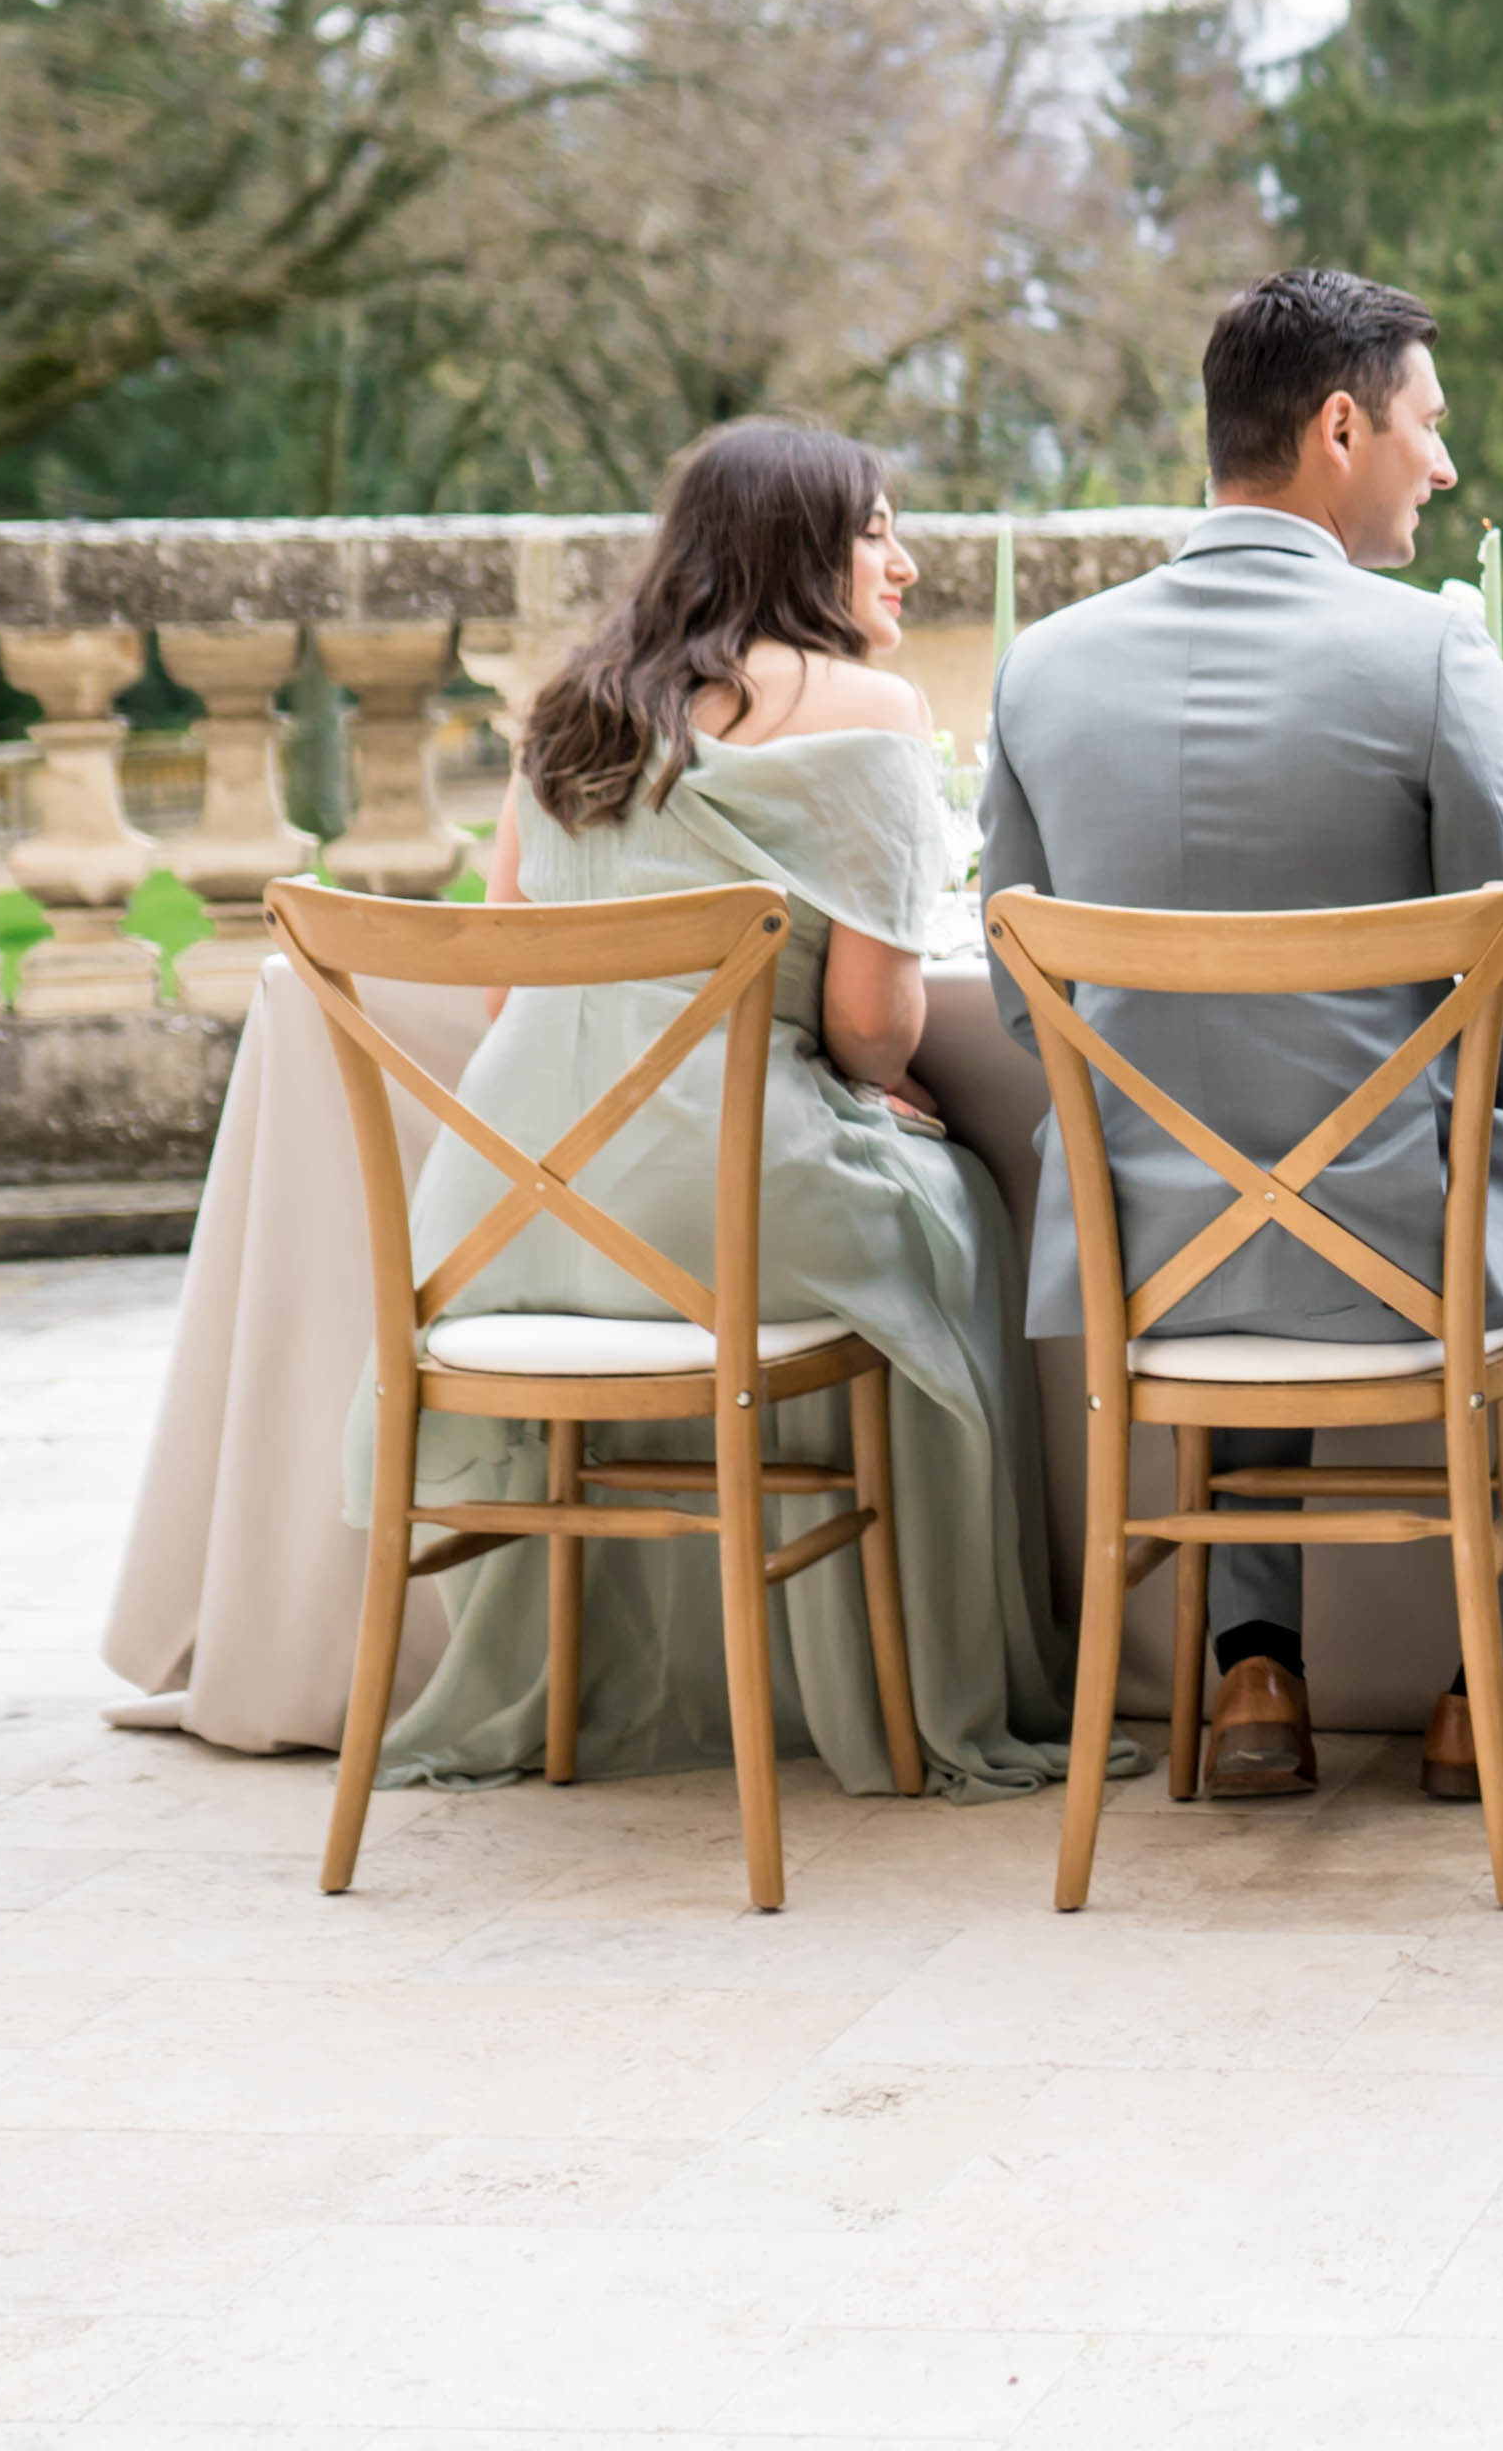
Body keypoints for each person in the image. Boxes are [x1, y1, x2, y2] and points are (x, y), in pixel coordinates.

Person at [980, 267, 1503, 1806]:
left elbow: (1017, 984)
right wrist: (1429, 1121)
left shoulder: (1042, 663)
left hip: (1141, 1259)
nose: (1444, 466)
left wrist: (1194, 1130)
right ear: (1342, 424)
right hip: (1390, 1251)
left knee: (1255, 1200)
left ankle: (1251, 1677)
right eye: (1429, 427)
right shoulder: (1430, 649)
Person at [367, 420, 1084, 1799]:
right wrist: (880, 1085)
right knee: (961, 1205)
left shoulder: (571, 705)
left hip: (502, 1222)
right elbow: (875, 1028)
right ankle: (904, 1684)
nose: (909, 563)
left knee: (836, 1185)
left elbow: (510, 965)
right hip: (724, 1223)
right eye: (878, 532)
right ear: (800, 548)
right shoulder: (871, 715)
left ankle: (601, 1676)